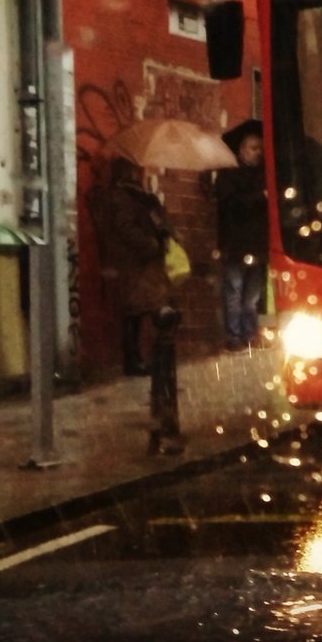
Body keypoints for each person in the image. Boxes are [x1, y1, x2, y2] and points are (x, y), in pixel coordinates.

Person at [97, 157, 183, 454]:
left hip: (144, 265)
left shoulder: (140, 196)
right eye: (136, 168)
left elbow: (156, 221)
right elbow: (126, 230)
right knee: (134, 311)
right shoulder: (120, 198)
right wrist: (151, 245)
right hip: (132, 264)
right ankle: (132, 359)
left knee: (145, 310)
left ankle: (140, 361)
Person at [211, 120, 269, 350]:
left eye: (260, 149)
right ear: (242, 150)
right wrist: (259, 197)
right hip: (235, 243)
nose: (258, 154)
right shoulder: (229, 175)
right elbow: (231, 204)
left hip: (257, 243)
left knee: (252, 296)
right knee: (234, 290)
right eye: (254, 148)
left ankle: (250, 333)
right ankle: (234, 335)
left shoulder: (264, 175)